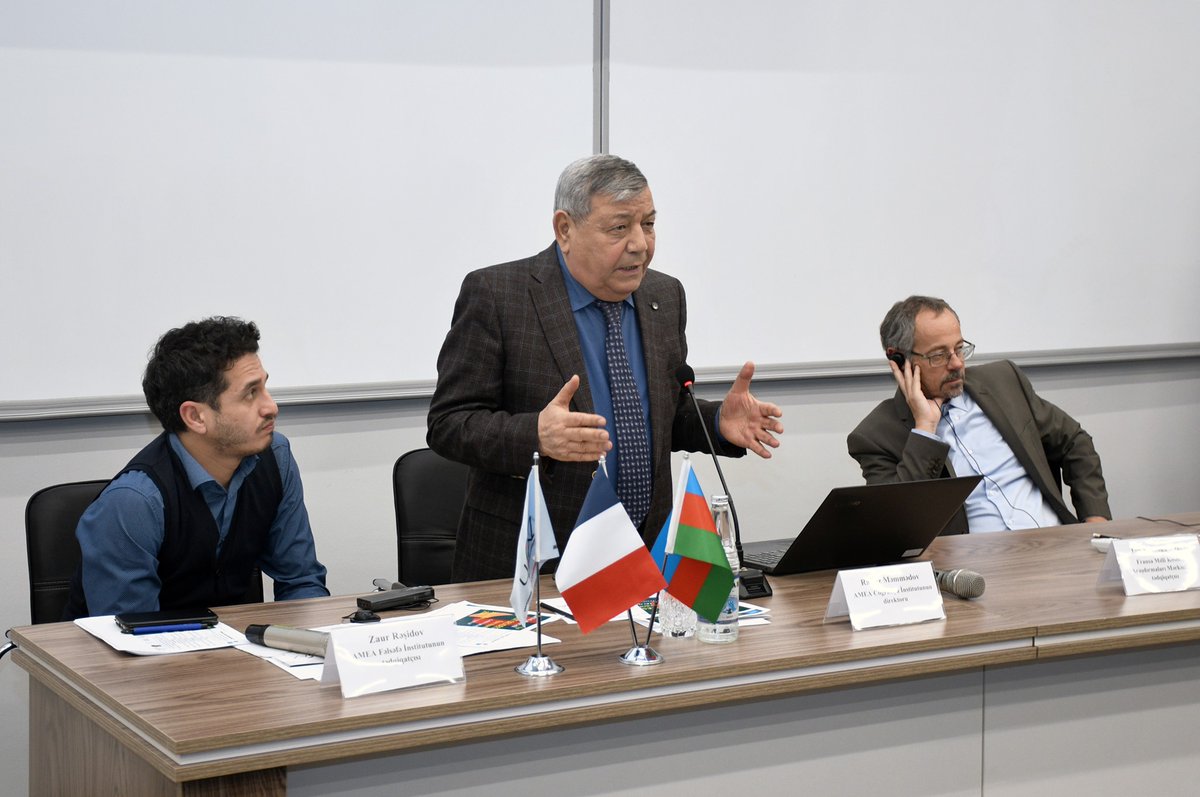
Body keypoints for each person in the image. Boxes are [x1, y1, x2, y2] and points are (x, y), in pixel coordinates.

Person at [428, 154, 784, 581]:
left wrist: (715, 421)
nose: (640, 244)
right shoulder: (499, 295)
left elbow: (658, 416)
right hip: (535, 569)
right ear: (565, 229)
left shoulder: (664, 296)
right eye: (619, 228)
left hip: (646, 559)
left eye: (648, 224)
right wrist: (536, 435)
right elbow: (449, 424)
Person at [64, 317, 329, 618]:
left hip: (235, 642)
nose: (271, 407)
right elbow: (131, 632)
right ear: (195, 417)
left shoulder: (276, 457)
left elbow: (302, 582)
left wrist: (310, 640)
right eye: (250, 393)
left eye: (265, 387)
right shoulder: (134, 501)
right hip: (148, 644)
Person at [847, 295, 1110, 534]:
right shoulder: (875, 436)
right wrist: (925, 430)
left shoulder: (1003, 381)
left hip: (1055, 545)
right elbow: (896, 524)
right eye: (938, 355)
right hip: (976, 566)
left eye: (959, 348)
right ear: (898, 360)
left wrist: (1096, 519)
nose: (957, 363)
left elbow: (1074, 442)